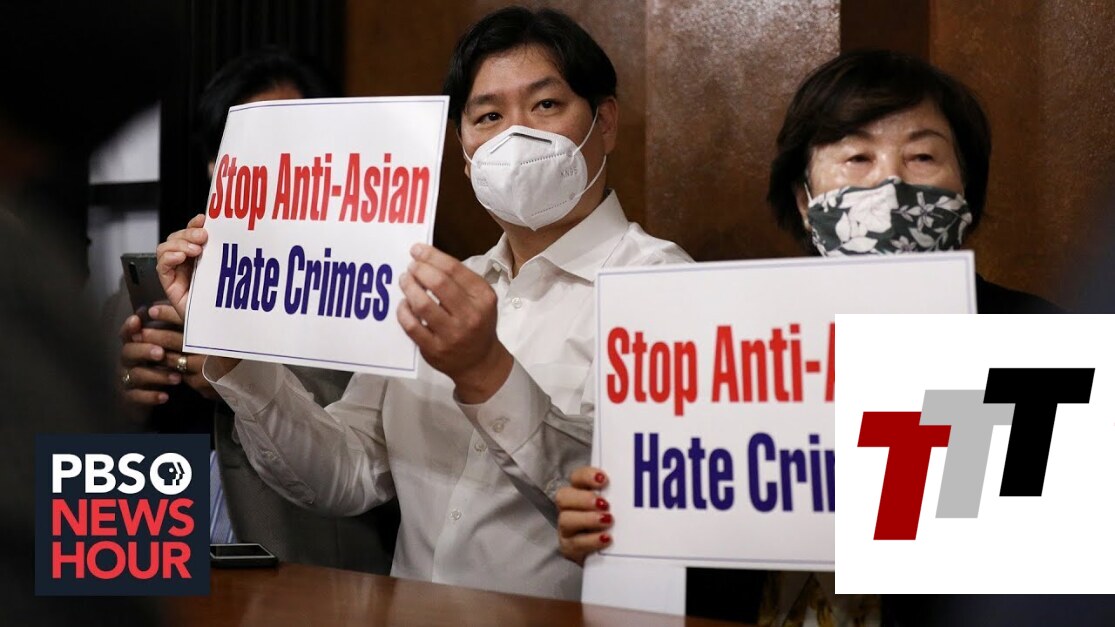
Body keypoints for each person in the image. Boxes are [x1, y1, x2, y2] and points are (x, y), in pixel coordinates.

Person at [154, 6, 691, 601]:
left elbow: (636, 509)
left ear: (605, 121)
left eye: (545, 105)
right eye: (488, 116)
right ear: (463, 149)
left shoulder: (662, 285)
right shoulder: (429, 289)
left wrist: (486, 372)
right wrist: (231, 349)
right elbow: (344, 474)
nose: (516, 135)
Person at [557, 49, 1063, 625]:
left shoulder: (1037, 339)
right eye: (857, 156)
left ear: (965, 189)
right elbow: (693, 537)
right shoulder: (715, 348)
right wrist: (613, 529)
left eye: (922, 156)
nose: (890, 181)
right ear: (805, 200)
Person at [117, 48, 399, 572]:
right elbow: (65, 422)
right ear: (212, 167)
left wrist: (228, 371)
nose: (268, 166)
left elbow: (370, 441)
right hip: (143, 549)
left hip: (294, 552)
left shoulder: (373, 276)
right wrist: (127, 388)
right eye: (240, 147)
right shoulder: (164, 269)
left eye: (287, 144)